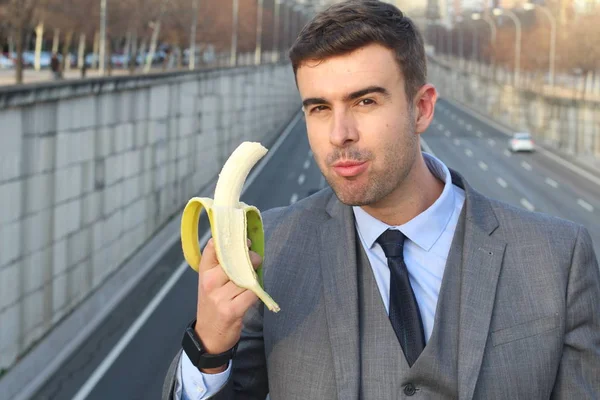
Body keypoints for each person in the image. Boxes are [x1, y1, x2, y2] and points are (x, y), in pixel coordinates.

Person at [163, 1, 600, 399]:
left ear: (422, 109)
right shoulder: (270, 252)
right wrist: (210, 346)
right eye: (319, 108)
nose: (340, 134)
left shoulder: (557, 260)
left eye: (365, 101)